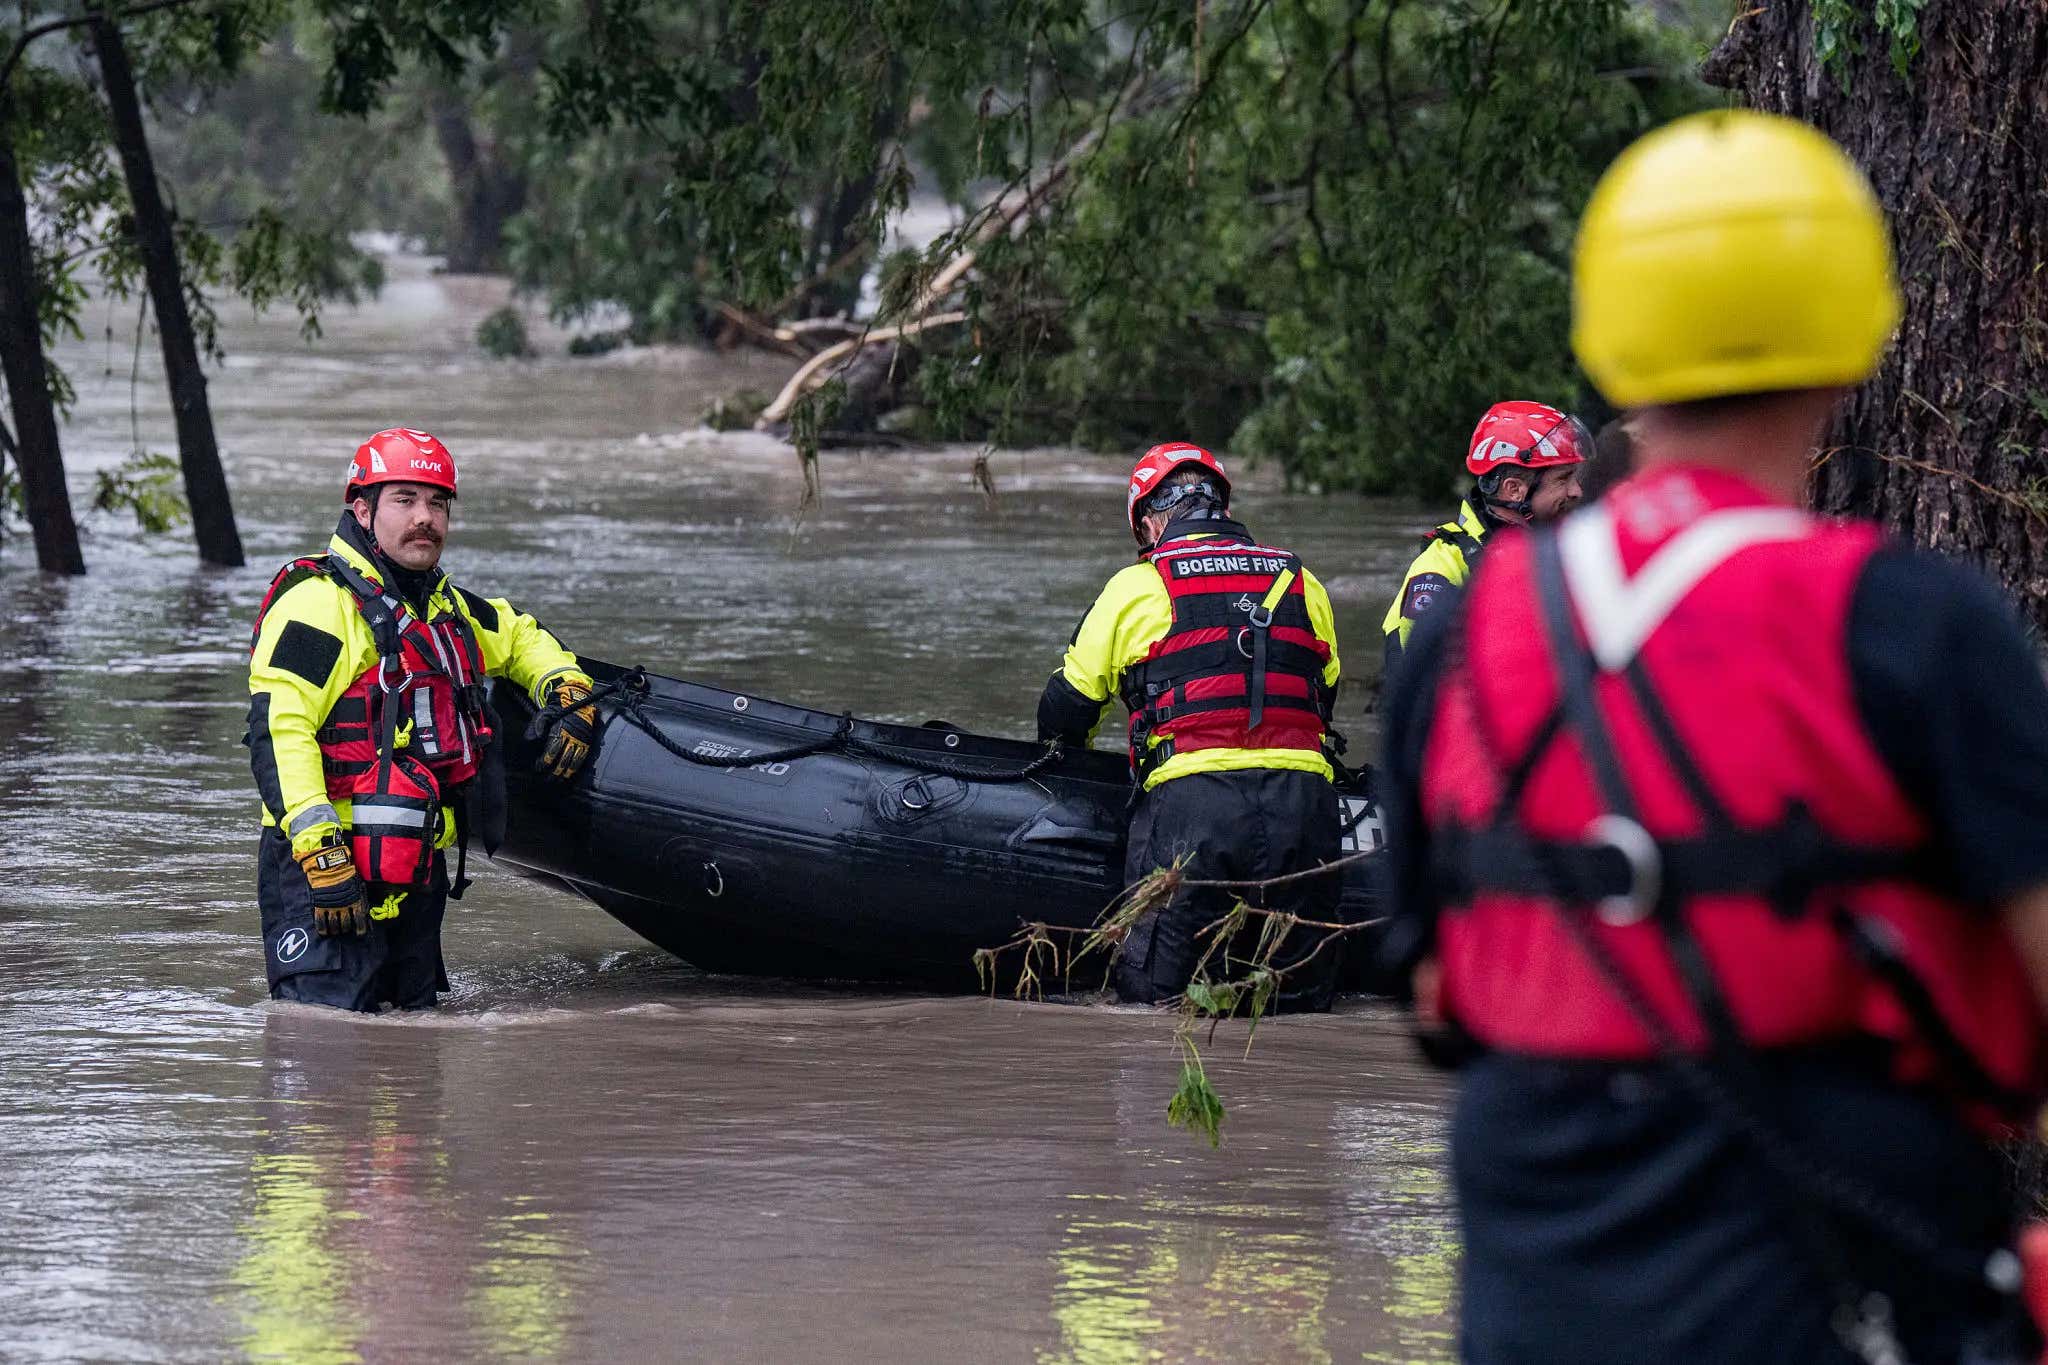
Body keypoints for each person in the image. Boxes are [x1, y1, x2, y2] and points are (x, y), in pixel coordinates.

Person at [1378, 111, 2048, 1363]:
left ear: (1608, 355)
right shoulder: (1918, 628)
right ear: (1855, 343)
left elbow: (1436, 990)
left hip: (1540, 1304)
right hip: (1851, 1289)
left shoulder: (1459, 639)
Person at [244, 428, 600, 1011]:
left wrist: (567, 691)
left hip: (414, 865)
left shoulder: (445, 609)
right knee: (321, 1051)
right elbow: (279, 732)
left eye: (437, 503)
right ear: (363, 509)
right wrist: (320, 852)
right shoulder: (317, 605)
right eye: (405, 500)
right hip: (324, 868)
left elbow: (518, 636)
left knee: (409, 1063)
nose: (425, 518)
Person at [1038, 443, 1345, 1010]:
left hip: (1194, 812)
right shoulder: (1304, 581)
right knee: (1298, 1006)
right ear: (1221, 507)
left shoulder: (1138, 586)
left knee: (1157, 1006)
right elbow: (1323, 693)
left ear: (1151, 521)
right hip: (1305, 810)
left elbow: (1066, 708)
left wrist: (1068, 785)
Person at [1380, 401, 1588, 672]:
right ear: (1514, 490)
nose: (1576, 491)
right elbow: (1422, 685)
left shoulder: (1565, 550)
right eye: (1563, 479)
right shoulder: (1443, 569)